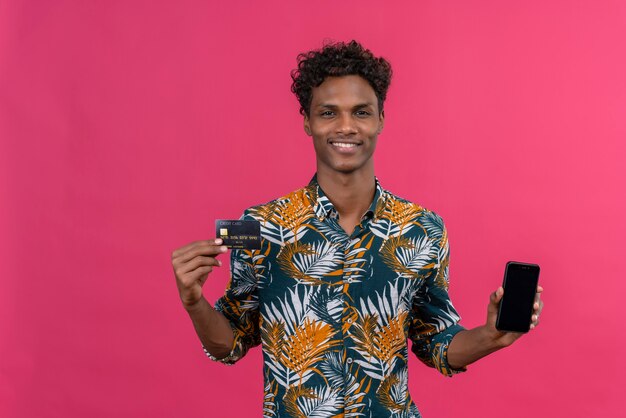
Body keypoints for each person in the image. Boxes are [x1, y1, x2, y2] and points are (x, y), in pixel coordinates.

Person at [171, 40, 544, 417]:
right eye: (329, 112)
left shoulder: (422, 229)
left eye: (361, 112)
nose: (346, 127)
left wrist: (491, 335)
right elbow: (229, 343)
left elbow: (436, 342)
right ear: (307, 121)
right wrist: (194, 303)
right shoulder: (260, 227)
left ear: (381, 118)